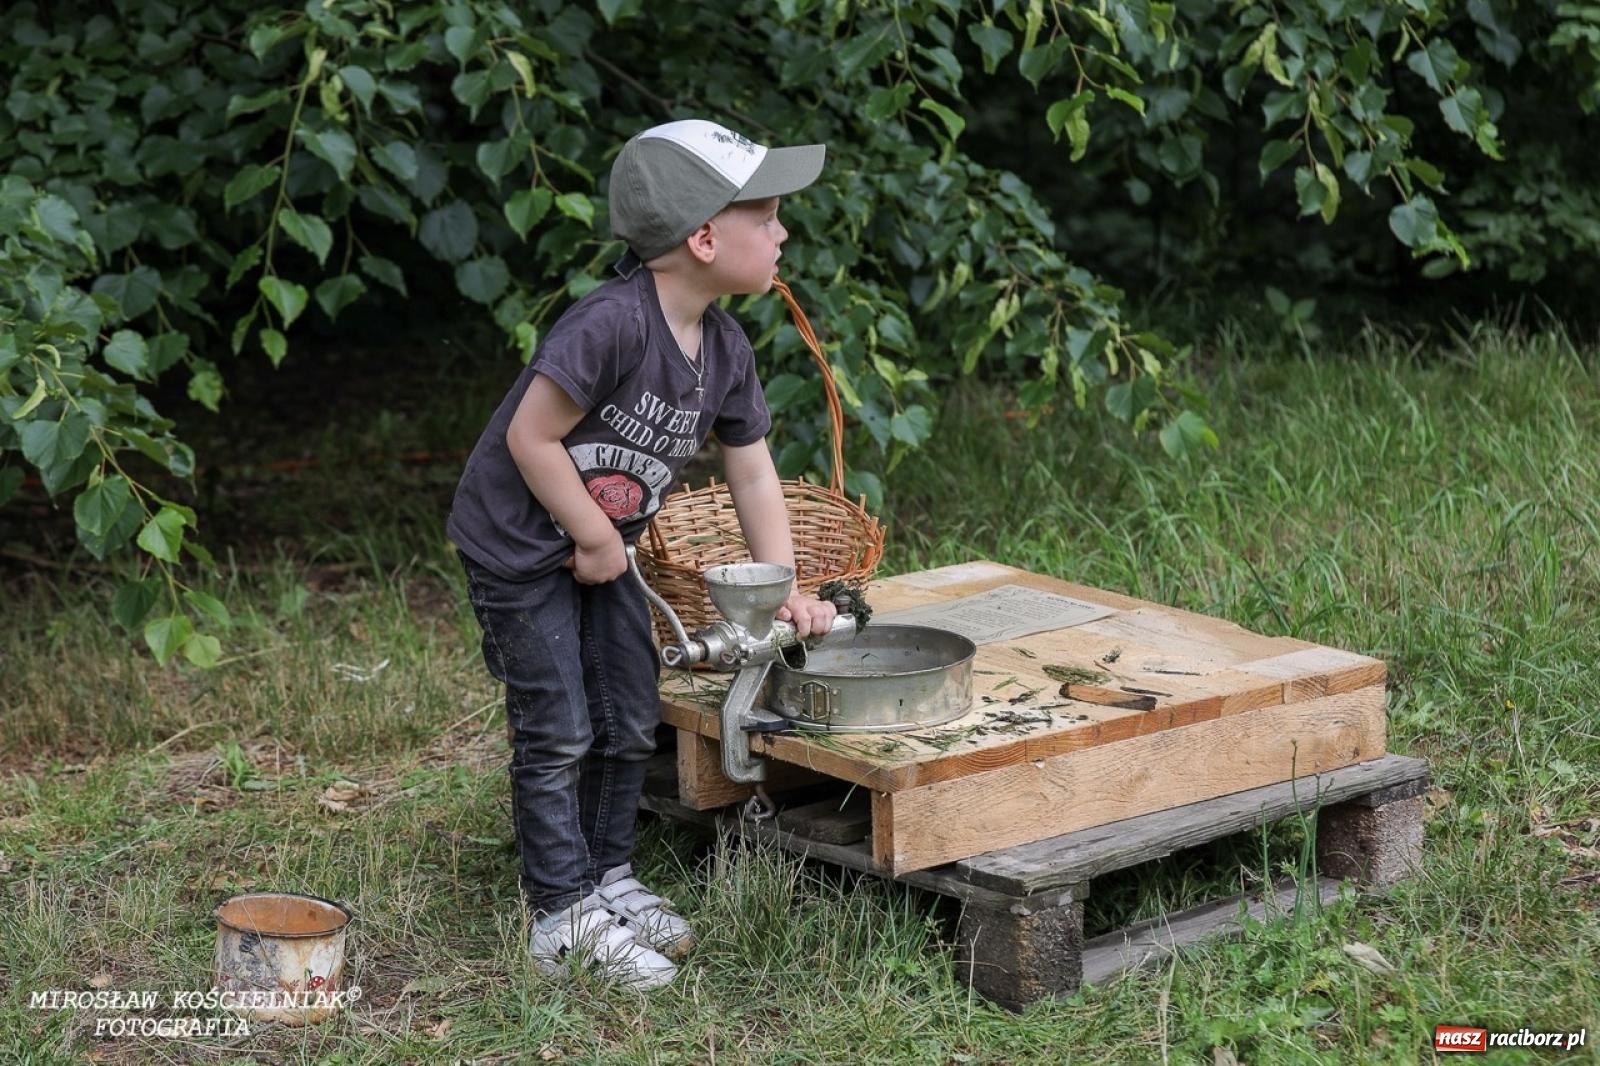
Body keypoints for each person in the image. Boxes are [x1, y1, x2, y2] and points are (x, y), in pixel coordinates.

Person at [447, 118, 838, 989]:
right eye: (766, 215)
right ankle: (558, 914)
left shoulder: (725, 349)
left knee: (628, 713)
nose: (782, 232)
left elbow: (755, 475)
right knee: (557, 728)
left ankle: (608, 876)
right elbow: (530, 436)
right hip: (522, 548)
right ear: (704, 238)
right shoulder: (610, 325)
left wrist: (783, 588)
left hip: (604, 553)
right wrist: (590, 535)